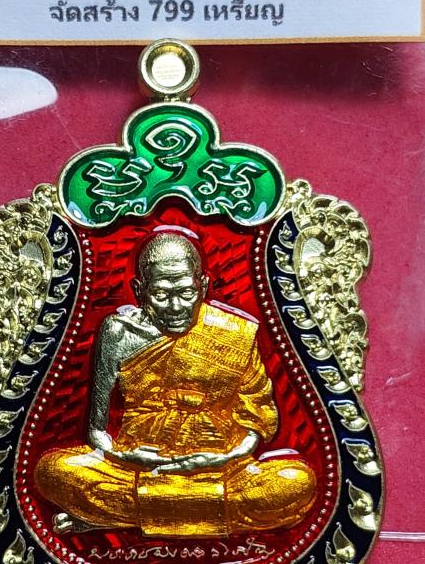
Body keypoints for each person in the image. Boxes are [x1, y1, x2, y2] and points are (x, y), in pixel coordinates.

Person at [34, 229, 316, 536]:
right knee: (53, 471)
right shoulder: (118, 333)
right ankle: (208, 515)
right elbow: (97, 430)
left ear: (203, 286)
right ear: (139, 290)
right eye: (161, 295)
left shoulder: (234, 333)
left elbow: (257, 417)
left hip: (221, 469)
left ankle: (123, 517)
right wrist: (122, 455)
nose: (176, 306)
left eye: (186, 293)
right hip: (139, 468)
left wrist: (225, 457)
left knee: (295, 482)